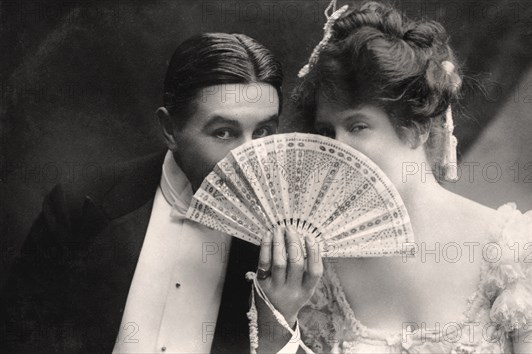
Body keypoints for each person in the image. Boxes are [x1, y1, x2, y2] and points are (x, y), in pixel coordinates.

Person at [256, 2, 532, 353]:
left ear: (417, 128)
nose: (336, 150)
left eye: (358, 126)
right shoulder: (318, 267)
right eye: (328, 131)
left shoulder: (520, 254)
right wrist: (277, 321)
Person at [1, 32, 320, 353]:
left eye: (263, 132)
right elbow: (19, 336)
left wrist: (277, 322)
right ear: (170, 129)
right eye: (224, 132)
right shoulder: (80, 206)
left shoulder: (284, 242)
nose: (251, 159)